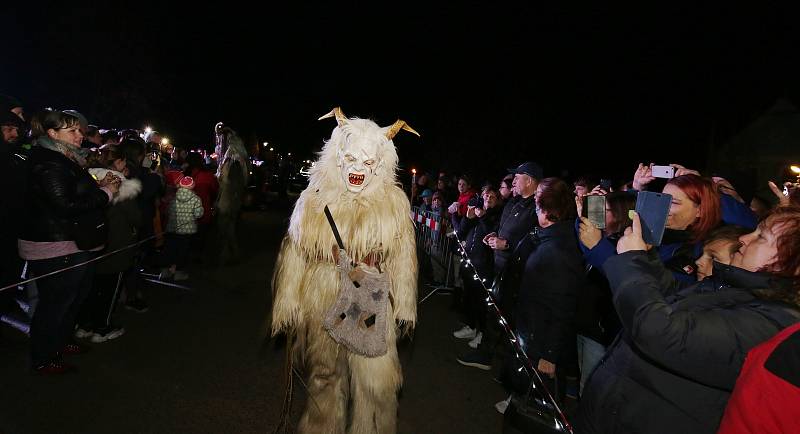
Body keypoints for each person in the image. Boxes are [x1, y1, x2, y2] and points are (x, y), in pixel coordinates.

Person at [575, 206, 800, 434]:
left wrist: (631, 261)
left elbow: (661, 332)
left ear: (794, 265)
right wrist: (646, 257)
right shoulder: (737, 289)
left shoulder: (773, 322)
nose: (743, 239)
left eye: (761, 237)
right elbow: (669, 296)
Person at [271, 108, 418, 433]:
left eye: (367, 163)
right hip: (321, 294)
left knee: (376, 383)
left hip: (368, 294)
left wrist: (405, 302)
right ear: (337, 157)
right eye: (351, 159)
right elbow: (295, 252)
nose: (357, 170)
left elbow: (403, 255)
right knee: (324, 374)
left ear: (380, 164)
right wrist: (288, 301)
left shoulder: (392, 203)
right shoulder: (314, 198)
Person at [20, 109, 119, 374]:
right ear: (52, 133)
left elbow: (71, 191)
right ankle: (43, 357)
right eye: (72, 131)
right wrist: (107, 193)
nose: (80, 135)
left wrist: (97, 186)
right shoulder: (49, 160)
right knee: (55, 303)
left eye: (80, 130)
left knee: (72, 298)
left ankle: (61, 342)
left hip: (72, 239)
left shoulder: (66, 156)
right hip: (56, 243)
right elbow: (64, 205)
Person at [76, 147, 142, 342]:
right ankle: (102, 327)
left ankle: (85, 325)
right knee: (109, 289)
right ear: (120, 162)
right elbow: (136, 218)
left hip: (90, 242)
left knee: (90, 288)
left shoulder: (87, 179)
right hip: (116, 244)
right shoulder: (121, 184)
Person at [160, 176, 204, 281]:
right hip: (187, 230)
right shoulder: (196, 199)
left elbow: (168, 212)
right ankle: (178, 273)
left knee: (170, 249)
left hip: (173, 228)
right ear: (192, 186)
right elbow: (199, 214)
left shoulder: (174, 198)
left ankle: (165, 271)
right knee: (182, 251)